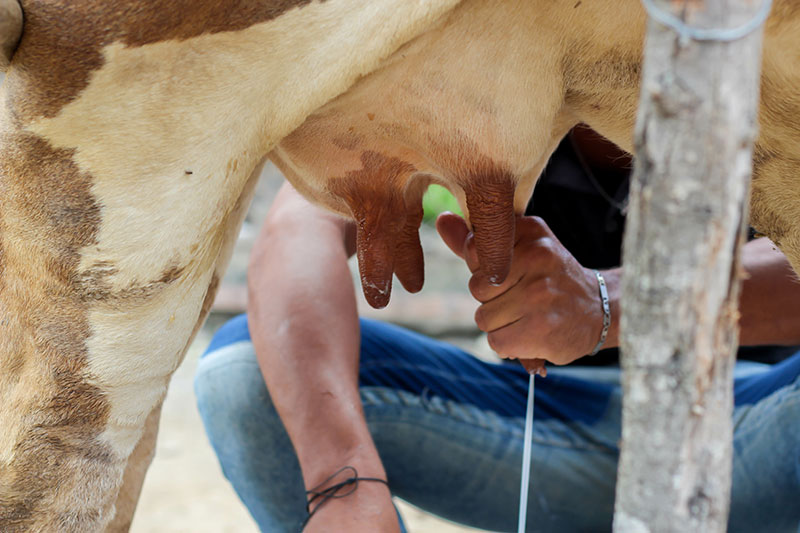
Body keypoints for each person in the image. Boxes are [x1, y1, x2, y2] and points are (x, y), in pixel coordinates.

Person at [194, 126, 800, 532]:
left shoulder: (769, 48)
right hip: (539, 430)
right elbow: (302, 226)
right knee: (246, 374)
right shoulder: (483, 71)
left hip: (758, 426)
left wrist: (610, 304)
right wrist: (340, 480)